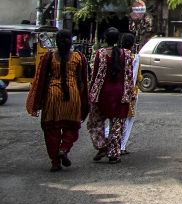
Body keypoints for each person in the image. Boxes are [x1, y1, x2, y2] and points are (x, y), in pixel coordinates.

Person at [25, 29, 89, 172]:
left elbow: (40, 79)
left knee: (51, 130)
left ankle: (55, 162)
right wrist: (84, 101)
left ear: (56, 42)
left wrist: (38, 100)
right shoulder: (79, 57)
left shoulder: (49, 57)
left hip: (52, 96)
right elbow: (83, 81)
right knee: (71, 127)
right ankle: (64, 148)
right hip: (73, 96)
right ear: (70, 41)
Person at [88, 28, 136, 164]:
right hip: (121, 93)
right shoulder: (127, 54)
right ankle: (114, 153)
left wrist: (91, 93)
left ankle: (102, 146)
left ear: (105, 39)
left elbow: (95, 75)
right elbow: (129, 75)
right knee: (117, 125)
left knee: (95, 123)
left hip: (103, 94)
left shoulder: (101, 53)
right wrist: (130, 94)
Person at [105, 33, 140, 154]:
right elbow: (133, 76)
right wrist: (131, 92)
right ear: (133, 44)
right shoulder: (133, 56)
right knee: (125, 119)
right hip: (127, 91)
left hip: (111, 90)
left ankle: (108, 141)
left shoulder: (115, 53)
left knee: (114, 118)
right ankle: (120, 146)